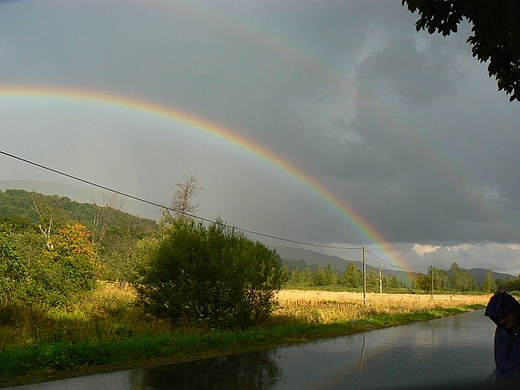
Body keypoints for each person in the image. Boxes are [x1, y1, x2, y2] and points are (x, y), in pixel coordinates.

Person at [485, 291, 520, 385]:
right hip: (502, 380)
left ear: (515, 312)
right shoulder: (501, 331)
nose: (502, 321)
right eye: (498, 317)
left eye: (504, 316)